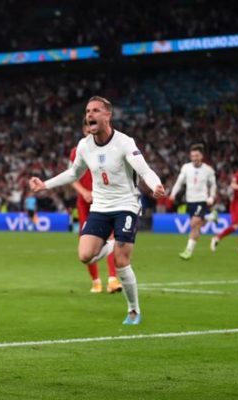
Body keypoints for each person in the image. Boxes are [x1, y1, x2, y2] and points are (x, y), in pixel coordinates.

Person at [29, 96, 165, 325]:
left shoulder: (124, 142)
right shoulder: (84, 146)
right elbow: (73, 173)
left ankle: (133, 310)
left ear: (107, 116)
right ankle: (113, 243)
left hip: (126, 205)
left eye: (95, 110)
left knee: (122, 261)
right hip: (100, 207)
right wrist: (45, 184)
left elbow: (144, 170)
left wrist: (156, 185)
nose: (89, 114)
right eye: (87, 111)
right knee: (85, 255)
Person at [71, 118, 120, 294]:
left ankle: (113, 279)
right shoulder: (78, 151)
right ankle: (96, 281)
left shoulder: (109, 150)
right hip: (84, 204)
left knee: (111, 239)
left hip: (103, 202)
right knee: (86, 243)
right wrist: (83, 191)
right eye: (87, 127)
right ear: (84, 130)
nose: (90, 130)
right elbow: (72, 177)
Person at [169, 143, 217, 260]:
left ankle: (188, 250)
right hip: (190, 201)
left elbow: (213, 185)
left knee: (193, 223)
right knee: (196, 227)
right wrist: (173, 194)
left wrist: (212, 197)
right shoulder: (186, 167)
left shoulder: (208, 170)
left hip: (202, 200)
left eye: (197, 155)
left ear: (202, 156)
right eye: (192, 156)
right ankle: (189, 251)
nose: (194, 158)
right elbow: (179, 182)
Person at [210, 161, 238, 254]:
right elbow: (232, 185)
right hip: (237, 204)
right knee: (236, 226)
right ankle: (217, 238)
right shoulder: (237, 175)